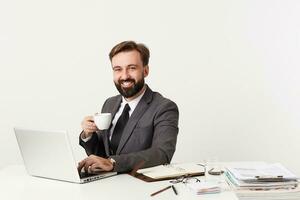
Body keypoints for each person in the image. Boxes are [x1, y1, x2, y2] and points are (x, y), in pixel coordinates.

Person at [78, 41, 179, 173]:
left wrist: (113, 163)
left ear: (145, 70)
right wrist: (88, 134)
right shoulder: (109, 103)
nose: (124, 76)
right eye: (118, 69)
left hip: (140, 186)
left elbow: (162, 154)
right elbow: (102, 156)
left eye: (132, 68)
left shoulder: (164, 107)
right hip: (106, 185)